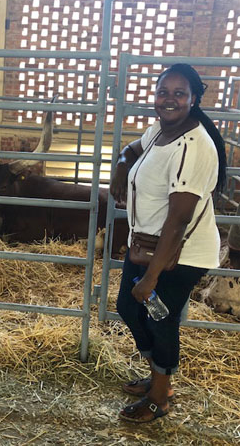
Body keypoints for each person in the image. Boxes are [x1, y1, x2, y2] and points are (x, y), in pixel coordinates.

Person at [110, 63, 226, 423]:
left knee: (161, 320)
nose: (169, 100)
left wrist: (151, 279)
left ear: (193, 99)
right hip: (145, 244)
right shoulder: (159, 130)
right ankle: (158, 374)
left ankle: (160, 397)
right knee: (129, 308)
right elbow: (132, 148)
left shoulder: (195, 148)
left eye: (179, 93)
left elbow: (178, 222)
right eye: (163, 92)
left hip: (179, 254)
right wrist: (121, 167)